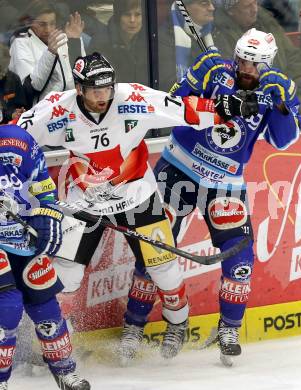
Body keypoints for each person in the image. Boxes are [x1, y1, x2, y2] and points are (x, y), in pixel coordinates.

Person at [16, 51, 258, 364]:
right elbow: (13, 138)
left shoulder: (133, 97)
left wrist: (226, 108)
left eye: (107, 88)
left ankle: (177, 321)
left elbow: (184, 110)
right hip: (84, 201)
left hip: (136, 195)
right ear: (78, 88)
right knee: (66, 274)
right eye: (94, 90)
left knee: (164, 269)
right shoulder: (54, 110)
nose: (103, 96)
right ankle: (51, 337)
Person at [122, 28, 301, 366]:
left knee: (241, 259)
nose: (246, 68)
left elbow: (284, 141)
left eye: (255, 64)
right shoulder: (213, 69)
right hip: (178, 168)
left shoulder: (279, 86)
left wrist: (279, 106)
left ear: (268, 64)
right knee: (153, 251)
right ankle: (133, 326)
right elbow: (170, 105)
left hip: (225, 183)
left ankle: (228, 329)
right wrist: (203, 91)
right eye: (242, 61)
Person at [0, 124, 90, 389]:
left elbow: (42, 186)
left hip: (21, 238)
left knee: (46, 305)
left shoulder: (18, 140)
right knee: (8, 306)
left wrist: (47, 216)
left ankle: (64, 371)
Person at [212, 0, 301, 117]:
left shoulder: (267, 21)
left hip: (284, 93)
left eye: (255, 3)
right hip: (250, 105)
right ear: (232, 11)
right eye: (248, 6)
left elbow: (293, 58)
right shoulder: (221, 34)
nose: (254, 9)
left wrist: (298, 90)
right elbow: (231, 76)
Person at [9, 0, 85, 106]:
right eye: (42, 24)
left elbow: (80, 75)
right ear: (30, 22)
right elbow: (31, 87)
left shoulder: (59, 36)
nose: (48, 29)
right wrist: (50, 53)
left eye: (52, 23)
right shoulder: (20, 42)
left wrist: (74, 41)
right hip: (42, 108)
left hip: (69, 103)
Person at [158, 0, 215, 91]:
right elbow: (167, 82)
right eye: (204, 4)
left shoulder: (216, 32)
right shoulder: (164, 38)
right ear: (184, 8)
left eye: (212, 3)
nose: (212, 8)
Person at [88, 0, 149, 84]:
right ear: (118, 17)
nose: (132, 20)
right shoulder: (100, 42)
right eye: (127, 14)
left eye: (137, 14)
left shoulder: (150, 40)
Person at [0, 43, 28, 123]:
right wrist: (10, 114)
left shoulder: (14, 79)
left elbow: (21, 105)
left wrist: (19, 112)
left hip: (11, 126)